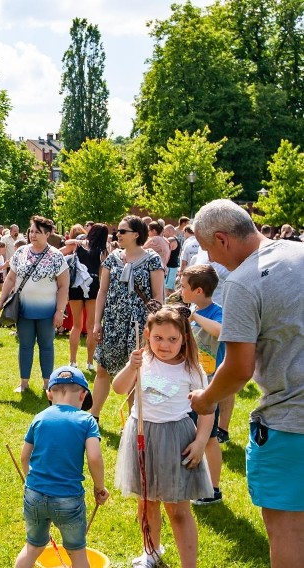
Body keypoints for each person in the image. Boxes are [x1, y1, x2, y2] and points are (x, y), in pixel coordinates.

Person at [189, 199, 304, 567]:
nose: (211, 260)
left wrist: (206, 400)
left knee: (288, 532)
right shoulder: (299, 252)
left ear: (222, 239)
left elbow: (239, 368)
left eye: (207, 249)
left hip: (290, 423)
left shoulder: (243, 281)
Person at [113, 305, 214, 568]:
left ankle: (188, 564)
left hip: (175, 438)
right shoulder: (142, 360)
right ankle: (151, 552)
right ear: (147, 334)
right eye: (158, 338)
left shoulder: (192, 370)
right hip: (142, 432)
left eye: (172, 339)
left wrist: (201, 441)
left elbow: (207, 410)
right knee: (146, 501)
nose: (165, 345)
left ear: (184, 338)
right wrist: (130, 367)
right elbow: (119, 388)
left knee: (178, 509)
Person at [14, 366, 108, 568]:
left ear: (49, 393)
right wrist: (99, 487)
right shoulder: (87, 420)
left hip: (35, 495)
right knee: (77, 552)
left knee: (33, 547)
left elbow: (24, 455)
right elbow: (94, 457)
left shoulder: (39, 417)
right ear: (83, 396)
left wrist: (29, 479)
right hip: (68, 498)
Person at [89, 216, 165, 421]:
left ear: (136, 234)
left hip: (139, 324)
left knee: (135, 373)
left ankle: (132, 422)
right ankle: (93, 417)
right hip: (113, 322)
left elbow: (158, 297)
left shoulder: (152, 259)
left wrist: (155, 327)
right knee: (103, 368)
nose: (117, 235)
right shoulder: (112, 258)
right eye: (117, 231)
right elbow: (102, 291)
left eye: (122, 231)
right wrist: (97, 322)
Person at [0, 216, 69, 394]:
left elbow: (63, 285)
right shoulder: (21, 253)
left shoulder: (56, 256)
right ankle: (24, 383)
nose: (33, 235)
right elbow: (11, 278)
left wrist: (60, 310)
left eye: (38, 232)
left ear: (48, 234)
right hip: (23, 310)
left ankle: (47, 383)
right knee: (25, 345)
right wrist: (1, 300)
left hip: (47, 311)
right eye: (31, 231)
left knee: (46, 346)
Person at [179, 264, 225, 505]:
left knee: (209, 437)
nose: (180, 290)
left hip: (210, 383)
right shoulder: (193, 309)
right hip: (190, 383)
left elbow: (221, 331)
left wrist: (194, 316)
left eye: (184, 286)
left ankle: (213, 489)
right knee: (192, 433)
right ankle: (195, 481)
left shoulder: (216, 312)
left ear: (198, 290)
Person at [62, 224, 109, 371]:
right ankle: (89, 362)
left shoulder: (79, 244)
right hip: (94, 286)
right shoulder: (103, 251)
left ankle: (72, 360)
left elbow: (63, 249)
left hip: (76, 285)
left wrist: (77, 242)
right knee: (91, 326)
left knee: (76, 326)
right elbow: (103, 274)